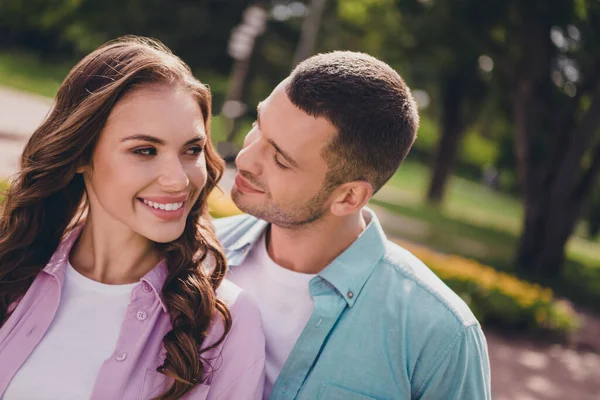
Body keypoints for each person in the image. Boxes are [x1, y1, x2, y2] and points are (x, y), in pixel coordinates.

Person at [214, 51, 491, 399]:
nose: (244, 158)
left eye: (281, 160)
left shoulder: (440, 335)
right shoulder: (193, 255)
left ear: (348, 198)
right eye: (258, 125)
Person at [0, 37, 265, 400]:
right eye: (145, 150)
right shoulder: (11, 273)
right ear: (80, 155)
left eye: (192, 150)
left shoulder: (224, 322)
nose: (178, 180)